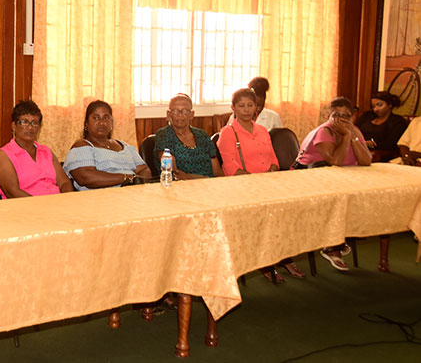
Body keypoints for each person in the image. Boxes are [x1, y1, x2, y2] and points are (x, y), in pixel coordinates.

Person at [218, 89, 296, 281]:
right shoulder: (229, 132)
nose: (246, 110)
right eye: (241, 106)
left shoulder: (262, 130)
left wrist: (272, 170)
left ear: (256, 108)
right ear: (233, 108)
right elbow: (229, 167)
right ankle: (264, 263)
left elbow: (273, 159)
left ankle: (280, 257)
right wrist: (256, 182)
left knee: (285, 216)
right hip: (243, 188)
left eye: (250, 105)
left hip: (267, 185)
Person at [293, 96, 371, 271]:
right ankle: (331, 245)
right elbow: (336, 161)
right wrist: (345, 136)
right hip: (310, 178)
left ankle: (341, 235)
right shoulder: (324, 132)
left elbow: (366, 161)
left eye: (347, 115)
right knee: (340, 197)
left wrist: (352, 136)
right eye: (337, 114)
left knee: (361, 196)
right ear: (329, 115)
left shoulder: (353, 130)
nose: (342, 119)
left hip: (342, 179)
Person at [0, 100, 73, 198]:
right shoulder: (4, 156)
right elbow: (13, 193)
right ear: (14, 126)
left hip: (57, 206)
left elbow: (64, 182)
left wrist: (66, 201)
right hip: (25, 209)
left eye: (35, 123)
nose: (30, 127)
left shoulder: (46, 151)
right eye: (24, 122)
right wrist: (43, 207)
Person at [63, 100, 151, 190]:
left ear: (111, 123)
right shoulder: (81, 146)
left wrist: (134, 182)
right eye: (96, 118)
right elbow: (87, 178)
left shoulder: (125, 145)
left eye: (106, 118)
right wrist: (127, 178)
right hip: (98, 199)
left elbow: (144, 171)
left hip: (132, 195)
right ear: (86, 123)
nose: (101, 123)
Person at [154, 93, 223, 179]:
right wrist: (199, 178)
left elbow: (217, 172)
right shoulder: (164, 135)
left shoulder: (203, 136)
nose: (180, 115)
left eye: (185, 111)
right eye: (175, 111)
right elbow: (173, 173)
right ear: (168, 114)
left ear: (192, 115)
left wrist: (191, 177)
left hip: (209, 186)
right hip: (181, 188)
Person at [354, 91, 407, 162]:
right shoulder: (367, 116)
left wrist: (368, 144)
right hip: (357, 148)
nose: (376, 109)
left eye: (379, 105)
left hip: (380, 154)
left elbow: (390, 144)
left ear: (390, 105)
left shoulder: (397, 121)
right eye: (373, 106)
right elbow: (354, 130)